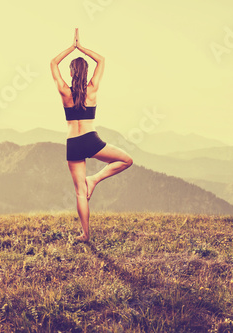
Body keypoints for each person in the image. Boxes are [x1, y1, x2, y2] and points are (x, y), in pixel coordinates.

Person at [50, 28, 133, 242]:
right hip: (91, 140)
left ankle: (85, 235)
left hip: (73, 143)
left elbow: (52, 63)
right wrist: (82, 48)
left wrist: (71, 47)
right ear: (86, 72)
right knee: (126, 160)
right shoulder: (93, 88)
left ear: (70, 72)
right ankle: (95, 180)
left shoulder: (64, 91)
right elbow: (102, 59)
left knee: (79, 192)